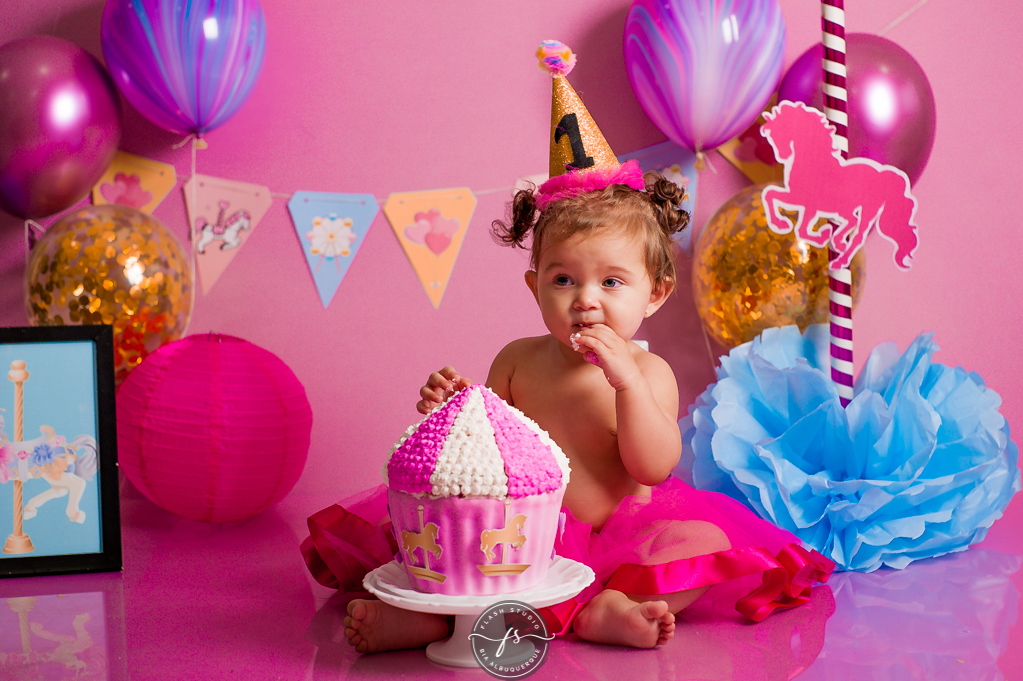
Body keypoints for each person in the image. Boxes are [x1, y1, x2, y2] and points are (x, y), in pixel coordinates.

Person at [314, 41, 832, 656]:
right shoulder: (518, 360)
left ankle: (606, 608)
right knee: (436, 540)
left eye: (612, 282)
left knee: (700, 545)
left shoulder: (649, 371)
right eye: (563, 280)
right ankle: (427, 621)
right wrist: (453, 410)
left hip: (618, 541)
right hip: (519, 539)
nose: (586, 299)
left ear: (656, 293)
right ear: (534, 287)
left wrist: (627, 384)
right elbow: (484, 458)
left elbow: (653, 469)